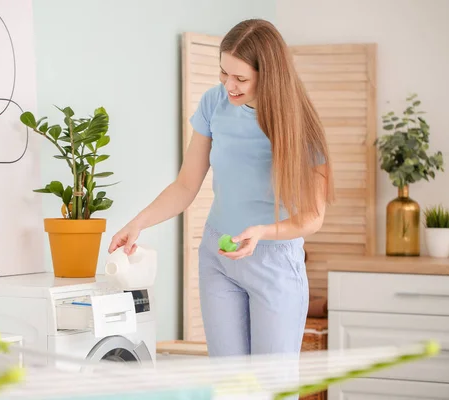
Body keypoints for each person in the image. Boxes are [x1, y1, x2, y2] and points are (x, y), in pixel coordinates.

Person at [108, 18, 334, 365]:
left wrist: (263, 232)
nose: (229, 85)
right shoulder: (214, 103)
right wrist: (138, 222)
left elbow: (313, 217)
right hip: (219, 258)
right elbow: (186, 185)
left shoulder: (300, 122)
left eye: (241, 78)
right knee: (228, 383)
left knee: (269, 386)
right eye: (223, 73)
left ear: (268, 75)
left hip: (274, 262)